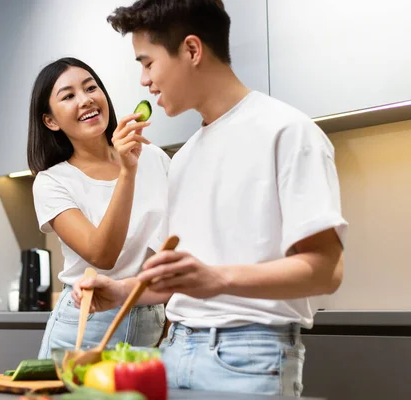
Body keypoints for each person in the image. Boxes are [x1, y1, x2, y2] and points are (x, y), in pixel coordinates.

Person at [72, 0, 348, 396]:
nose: (145, 81)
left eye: (147, 63)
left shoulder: (288, 131)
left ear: (191, 50)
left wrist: (216, 279)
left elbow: (327, 271)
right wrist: (121, 291)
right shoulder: (182, 158)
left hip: (250, 357)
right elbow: (183, 283)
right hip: (175, 350)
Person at [27, 57, 170, 359]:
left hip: (152, 319)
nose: (86, 100)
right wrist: (127, 171)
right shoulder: (52, 182)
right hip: (85, 322)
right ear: (50, 121)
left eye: (91, 88)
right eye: (68, 96)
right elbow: (102, 255)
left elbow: (175, 246)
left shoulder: (155, 158)